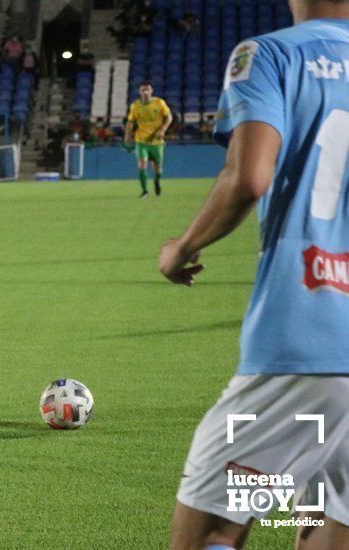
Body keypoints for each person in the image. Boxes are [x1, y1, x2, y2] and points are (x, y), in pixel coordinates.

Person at [159, 1, 349, 547]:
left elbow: (249, 177)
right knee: (325, 520)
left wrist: (182, 247)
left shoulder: (271, 54)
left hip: (307, 346)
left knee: (216, 525)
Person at [124, 80, 171, 198]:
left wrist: (163, 130)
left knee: (158, 169)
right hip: (141, 140)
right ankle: (145, 191)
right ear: (139, 91)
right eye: (143, 90)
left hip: (156, 141)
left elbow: (169, 117)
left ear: (151, 91)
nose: (145, 92)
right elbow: (130, 122)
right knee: (142, 164)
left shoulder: (159, 103)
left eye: (147, 89)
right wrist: (127, 136)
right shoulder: (135, 106)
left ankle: (157, 181)